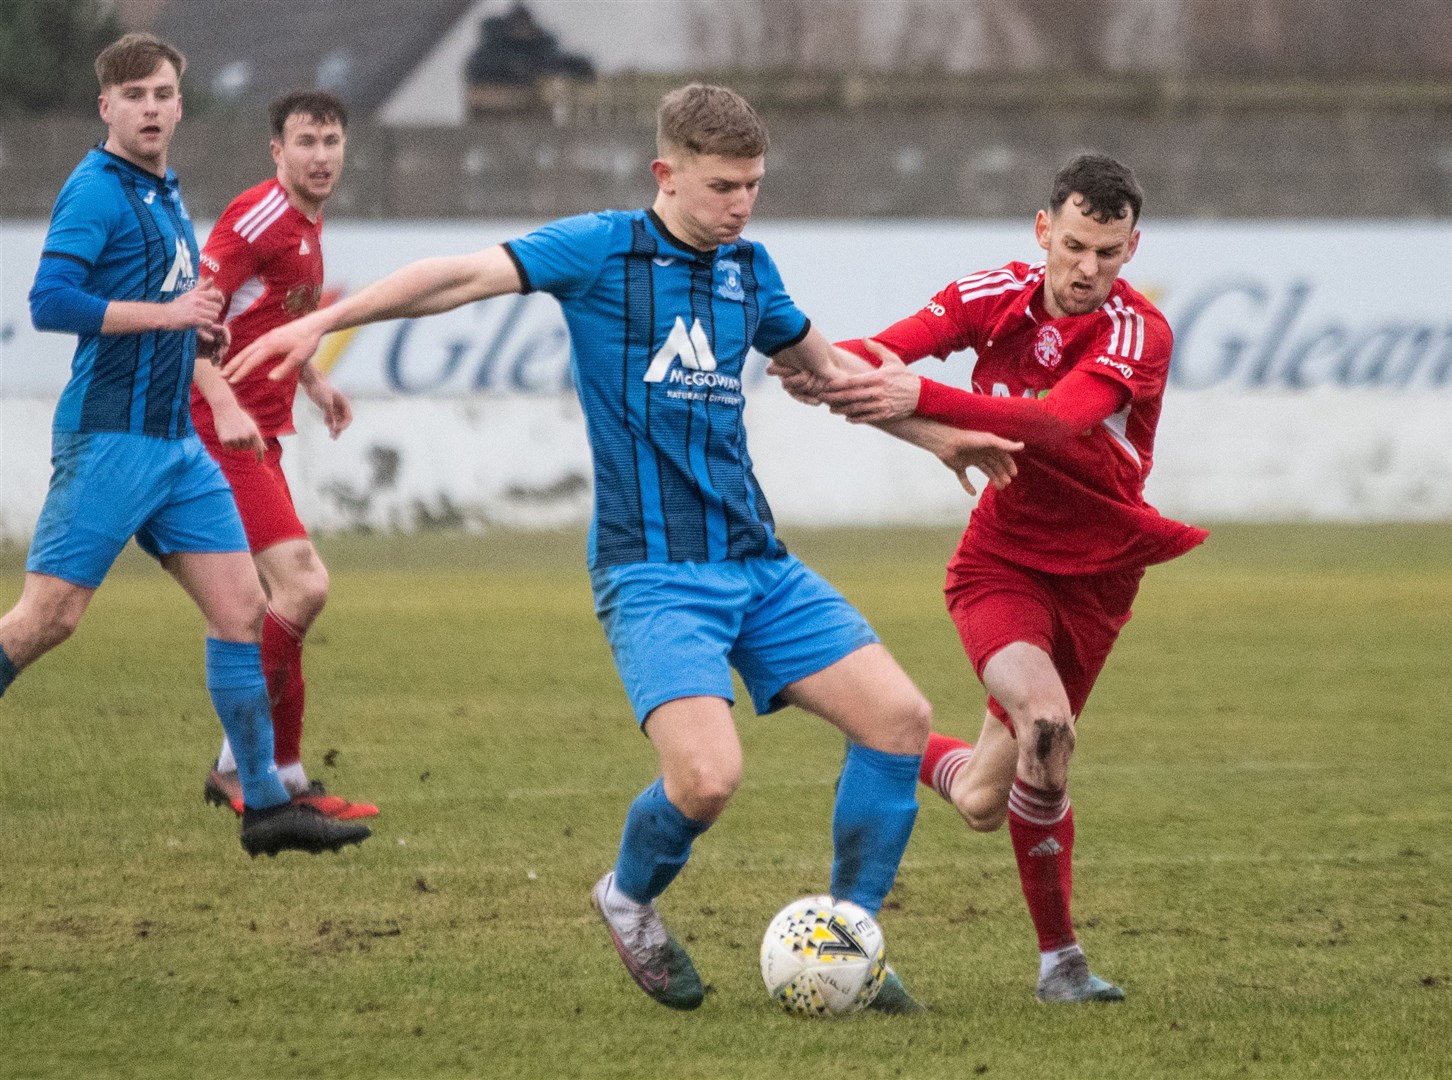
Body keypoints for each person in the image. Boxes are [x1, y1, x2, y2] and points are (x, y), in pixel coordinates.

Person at [222, 83, 1020, 1011]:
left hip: (757, 561)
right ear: (665, 174)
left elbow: (832, 375)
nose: (742, 203)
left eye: (754, 184)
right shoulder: (602, 250)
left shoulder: (749, 272)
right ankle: (628, 898)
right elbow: (457, 276)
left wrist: (938, 436)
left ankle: (851, 941)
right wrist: (323, 321)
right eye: (724, 186)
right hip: (652, 571)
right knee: (708, 778)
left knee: (899, 721)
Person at [788, 153, 1209, 1002]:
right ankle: (1062, 965)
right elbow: (891, 347)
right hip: (1001, 564)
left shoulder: (1140, 332)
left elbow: (1053, 427)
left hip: (1100, 578)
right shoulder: (992, 293)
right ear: (1044, 229)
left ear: (1134, 247)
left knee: (986, 796)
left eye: (1110, 252)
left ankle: (889, 746)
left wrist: (921, 397)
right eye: (1077, 245)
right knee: (1047, 731)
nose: (1089, 269)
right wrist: (825, 369)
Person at [0, 33, 370, 858]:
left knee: (243, 611)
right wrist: (173, 323)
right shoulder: (95, 191)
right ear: (108, 107)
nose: (154, 108)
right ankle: (267, 788)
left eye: (165, 93)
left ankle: (266, 802)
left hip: (176, 448)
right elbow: (51, 300)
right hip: (111, 439)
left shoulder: (165, 191)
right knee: (47, 619)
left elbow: (212, 314)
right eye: (135, 96)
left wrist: (288, 373)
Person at [190, 90, 377, 821]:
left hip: (259, 435)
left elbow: (274, 317)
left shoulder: (306, 224)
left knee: (275, 601)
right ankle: (244, 765)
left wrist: (314, 378)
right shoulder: (260, 216)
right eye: (307, 142)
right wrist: (226, 402)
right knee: (301, 587)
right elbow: (190, 314)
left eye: (332, 141)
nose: (322, 156)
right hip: (216, 430)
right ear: (278, 150)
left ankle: (285, 775)